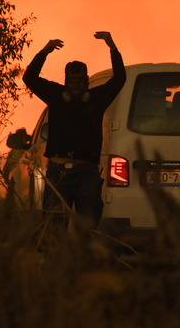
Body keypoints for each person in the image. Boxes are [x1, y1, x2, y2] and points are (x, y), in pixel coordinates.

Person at [23, 31, 126, 230]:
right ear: (66, 82)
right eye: (71, 82)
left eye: (79, 81)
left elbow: (120, 78)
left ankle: (81, 261)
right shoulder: (55, 95)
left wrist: (112, 46)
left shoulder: (97, 99)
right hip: (58, 173)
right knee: (53, 229)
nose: (75, 86)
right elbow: (30, 78)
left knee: (87, 231)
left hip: (86, 173)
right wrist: (44, 51)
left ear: (86, 81)